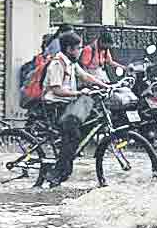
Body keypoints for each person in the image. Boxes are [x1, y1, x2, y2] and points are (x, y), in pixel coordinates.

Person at [42, 31, 110, 187]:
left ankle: (67, 158)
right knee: (73, 134)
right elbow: (57, 90)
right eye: (78, 48)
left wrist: (105, 86)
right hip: (55, 107)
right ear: (68, 49)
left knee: (89, 121)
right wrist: (79, 92)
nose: (80, 51)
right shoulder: (58, 63)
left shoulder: (71, 62)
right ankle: (58, 171)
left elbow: (85, 76)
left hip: (67, 105)